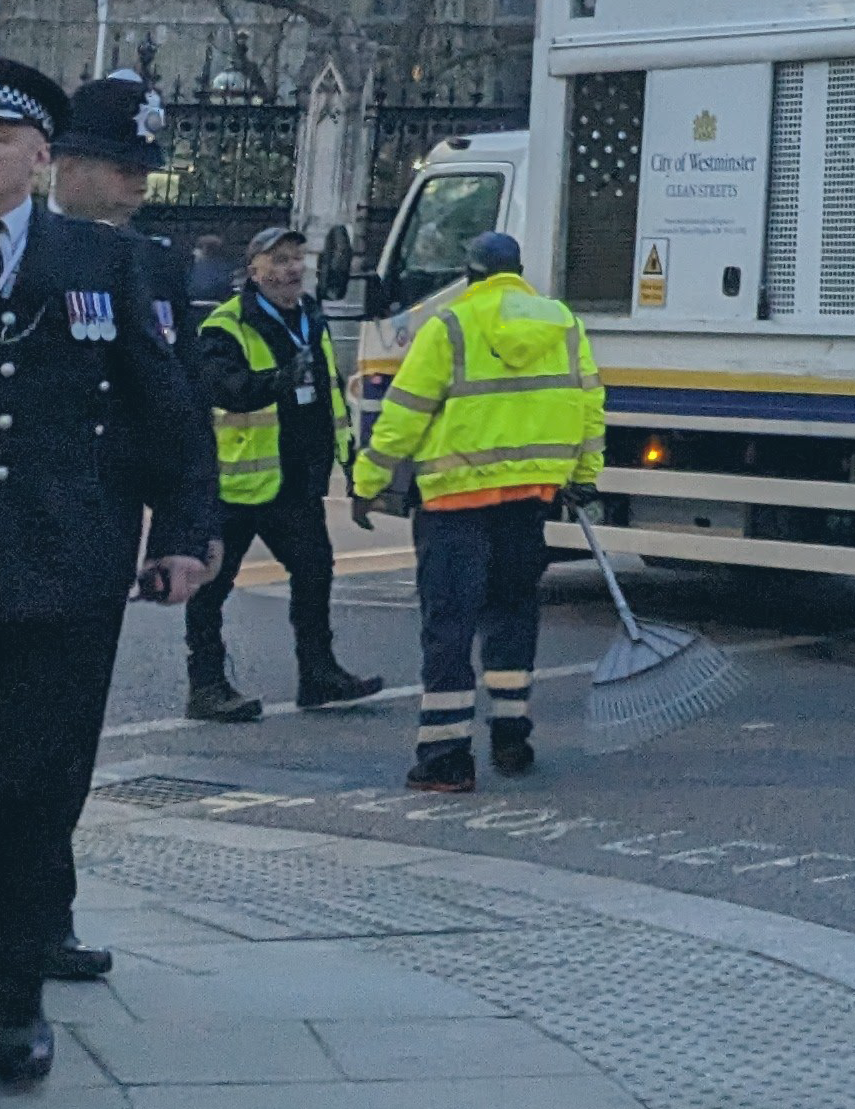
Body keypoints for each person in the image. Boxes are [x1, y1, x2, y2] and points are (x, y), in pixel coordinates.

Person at [0, 57, 217, 1106]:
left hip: (59, 589)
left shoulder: (102, 267)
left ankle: (12, 1004)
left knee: (33, 807)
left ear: (38, 157)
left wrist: (185, 532)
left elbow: (169, 412)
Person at [354, 230, 602, 792]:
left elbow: (405, 413)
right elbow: (590, 403)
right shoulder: (562, 322)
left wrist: (369, 481)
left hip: (453, 504)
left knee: (449, 625)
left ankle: (445, 757)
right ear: (518, 271)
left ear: (469, 275)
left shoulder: (450, 326)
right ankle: (512, 739)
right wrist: (583, 476)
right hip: (529, 501)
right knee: (513, 615)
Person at [180, 222, 385, 722]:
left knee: (315, 572)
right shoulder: (226, 326)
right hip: (236, 483)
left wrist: (348, 459)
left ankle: (318, 674)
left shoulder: (311, 318)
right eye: (279, 261)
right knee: (211, 585)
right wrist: (277, 380)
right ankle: (206, 687)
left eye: (297, 259)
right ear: (254, 271)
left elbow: (331, 394)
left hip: (295, 479)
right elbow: (227, 390)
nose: (291, 269)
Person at [48, 68, 193, 345]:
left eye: (146, 172)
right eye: (126, 170)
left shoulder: (158, 262)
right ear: (69, 167)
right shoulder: (24, 250)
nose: (142, 184)